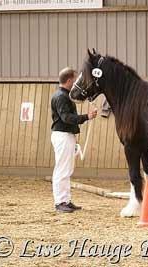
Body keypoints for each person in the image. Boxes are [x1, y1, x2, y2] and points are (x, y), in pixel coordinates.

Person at [51, 67, 97, 212]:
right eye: (75, 79)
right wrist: (86, 117)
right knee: (62, 169)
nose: (76, 82)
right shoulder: (61, 97)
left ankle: (66, 200)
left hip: (66, 135)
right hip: (62, 135)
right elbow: (66, 118)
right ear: (69, 80)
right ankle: (60, 202)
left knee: (67, 169)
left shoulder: (64, 96)